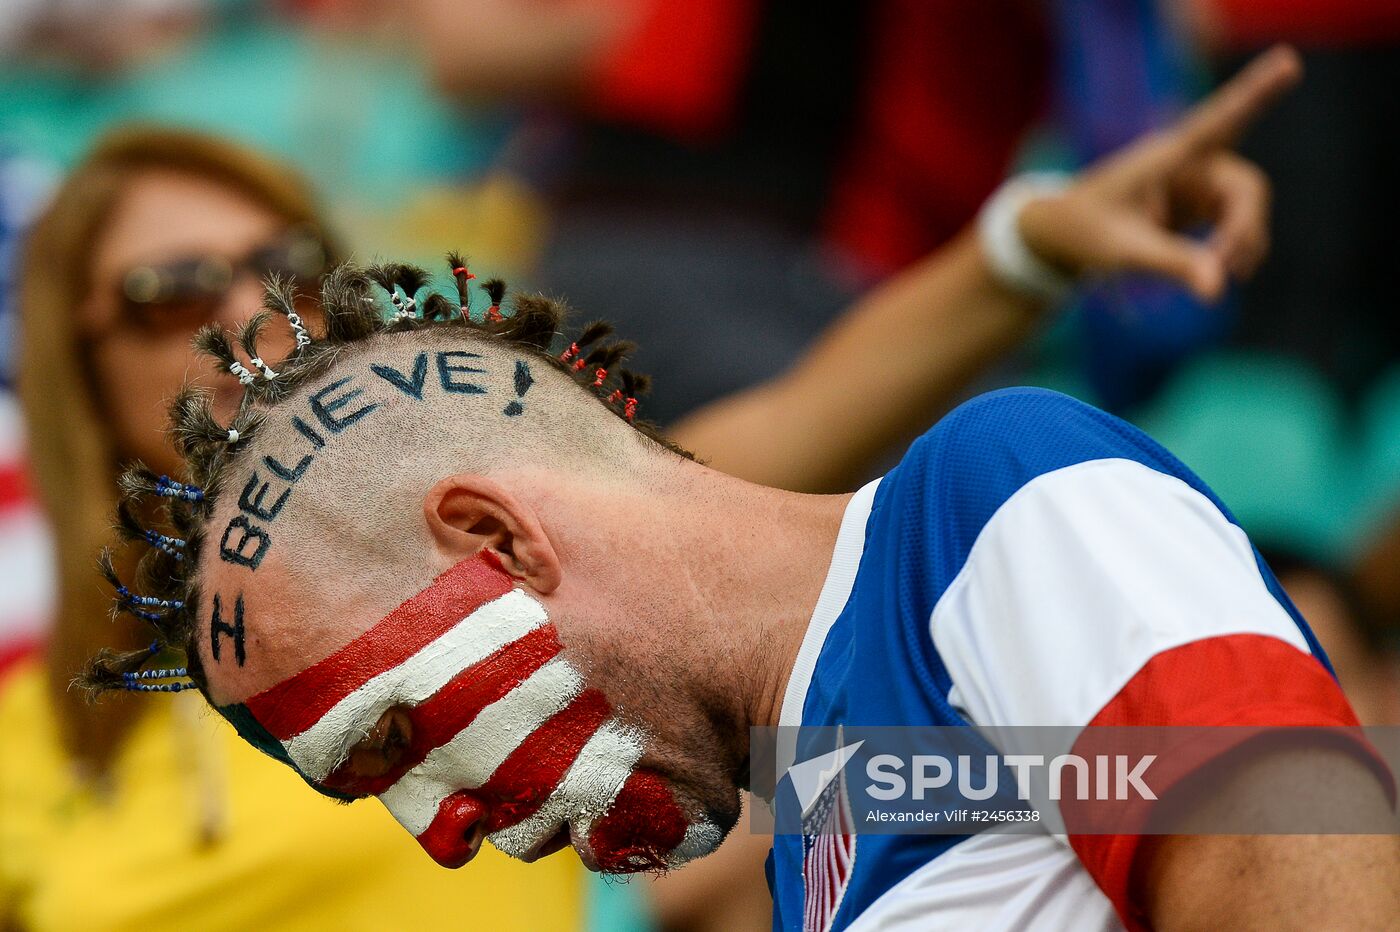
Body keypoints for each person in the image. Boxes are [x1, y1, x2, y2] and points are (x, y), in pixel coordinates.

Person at [84, 48, 1400, 930]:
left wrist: (1025, 238)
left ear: (495, 540)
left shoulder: (984, 510)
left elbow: (1300, 841)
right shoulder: (856, 786)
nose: (436, 832)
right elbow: (1197, 787)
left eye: (394, 740)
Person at [1, 126, 581, 930]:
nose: (255, 312)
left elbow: (796, 668)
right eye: (174, 290)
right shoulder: (31, 731)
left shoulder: (522, 539)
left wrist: (773, 879)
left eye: (292, 266)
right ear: (84, 370)